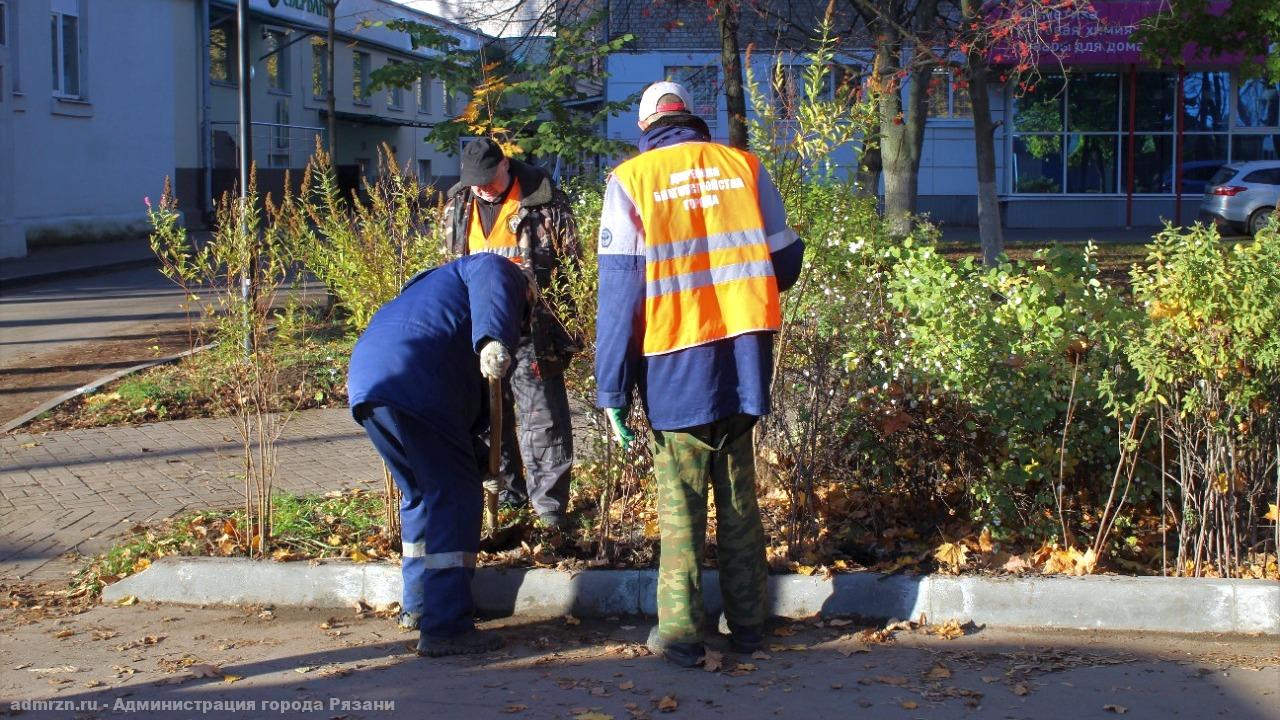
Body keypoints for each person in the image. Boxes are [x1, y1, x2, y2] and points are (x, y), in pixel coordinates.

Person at [594, 81, 806, 667]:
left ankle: (682, 637)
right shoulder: (744, 167)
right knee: (738, 500)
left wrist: (611, 387)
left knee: (681, 506)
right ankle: (750, 626)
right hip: (742, 362)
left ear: (645, 128)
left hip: (673, 364)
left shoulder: (631, 181)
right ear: (691, 117)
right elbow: (784, 259)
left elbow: (619, 293)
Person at [347, 253, 528, 657]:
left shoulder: (436, 300)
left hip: (370, 383)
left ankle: (419, 606)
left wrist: (484, 465)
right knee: (455, 497)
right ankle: (446, 626)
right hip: (417, 381)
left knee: (421, 496)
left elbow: (482, 407)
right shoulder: (491, 267)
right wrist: (493, 338)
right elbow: (492, 275)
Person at [442, 138, 581, 529]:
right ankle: (508, 498)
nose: (482, 187)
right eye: (474, 182)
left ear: (505, 164)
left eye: (488, 178)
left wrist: (565, 330)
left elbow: (572, 269)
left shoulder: (545, 202)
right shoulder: (458, 208)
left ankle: (550, 511)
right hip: (482, 336)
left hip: (533, 333)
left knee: (544, 422)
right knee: (491, 419)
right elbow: (448, 274)